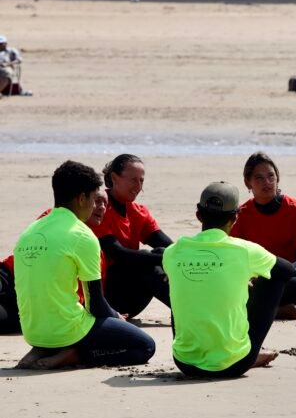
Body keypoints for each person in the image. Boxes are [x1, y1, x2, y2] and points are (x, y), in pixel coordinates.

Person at [13, 161, 156, 370]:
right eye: (93, 199)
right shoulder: (82, 235)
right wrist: (116, 318)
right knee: (145, 346)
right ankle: (75, 354)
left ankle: (44, 349)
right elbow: (95, 305)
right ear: (81, 198)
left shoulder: (30, 230)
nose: (97, 207)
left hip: (32, 331)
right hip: (68, 330)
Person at [164, 181, 295, 378]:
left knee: (182, 282)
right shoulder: (244, 250)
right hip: (235, 364)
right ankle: (246, 348)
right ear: (235, 217)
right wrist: (249, 279)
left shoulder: (173, 251)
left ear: (198, 215)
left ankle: (198, 347)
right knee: (274, 278)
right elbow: (287, 270)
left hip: (185, 362)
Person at [1, 188, 110, 334]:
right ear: (82, 201)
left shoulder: (95, 252)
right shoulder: (53, 217)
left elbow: (92, 301)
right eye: (97, 201)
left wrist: (111, 315)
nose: (102, 207)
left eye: (105, 203)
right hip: (11, 275)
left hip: (33, 304)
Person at [230, 153, 296, 320]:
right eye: (259, 178)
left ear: (278, 179)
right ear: (247, 182)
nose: (267, 182)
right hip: (257, 283)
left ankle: (263, 309)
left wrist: (275, 275)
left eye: (271, 176)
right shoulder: (241, 215)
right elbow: (234, 258)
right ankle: (277, 311)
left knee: (295, 287)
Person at [96, 154, 174, 319]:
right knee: (150, 262)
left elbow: (168, 245)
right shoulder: (99, 209)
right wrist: (163, 258)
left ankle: (195, 303)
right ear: (114, 178)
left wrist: (177, 259)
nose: (138, 186)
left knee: (166, 255)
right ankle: (189, 309)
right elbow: (118, 254)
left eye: (141, 180)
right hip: (103, 299)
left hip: (131, 298)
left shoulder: (139, 212)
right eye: (133, 179)